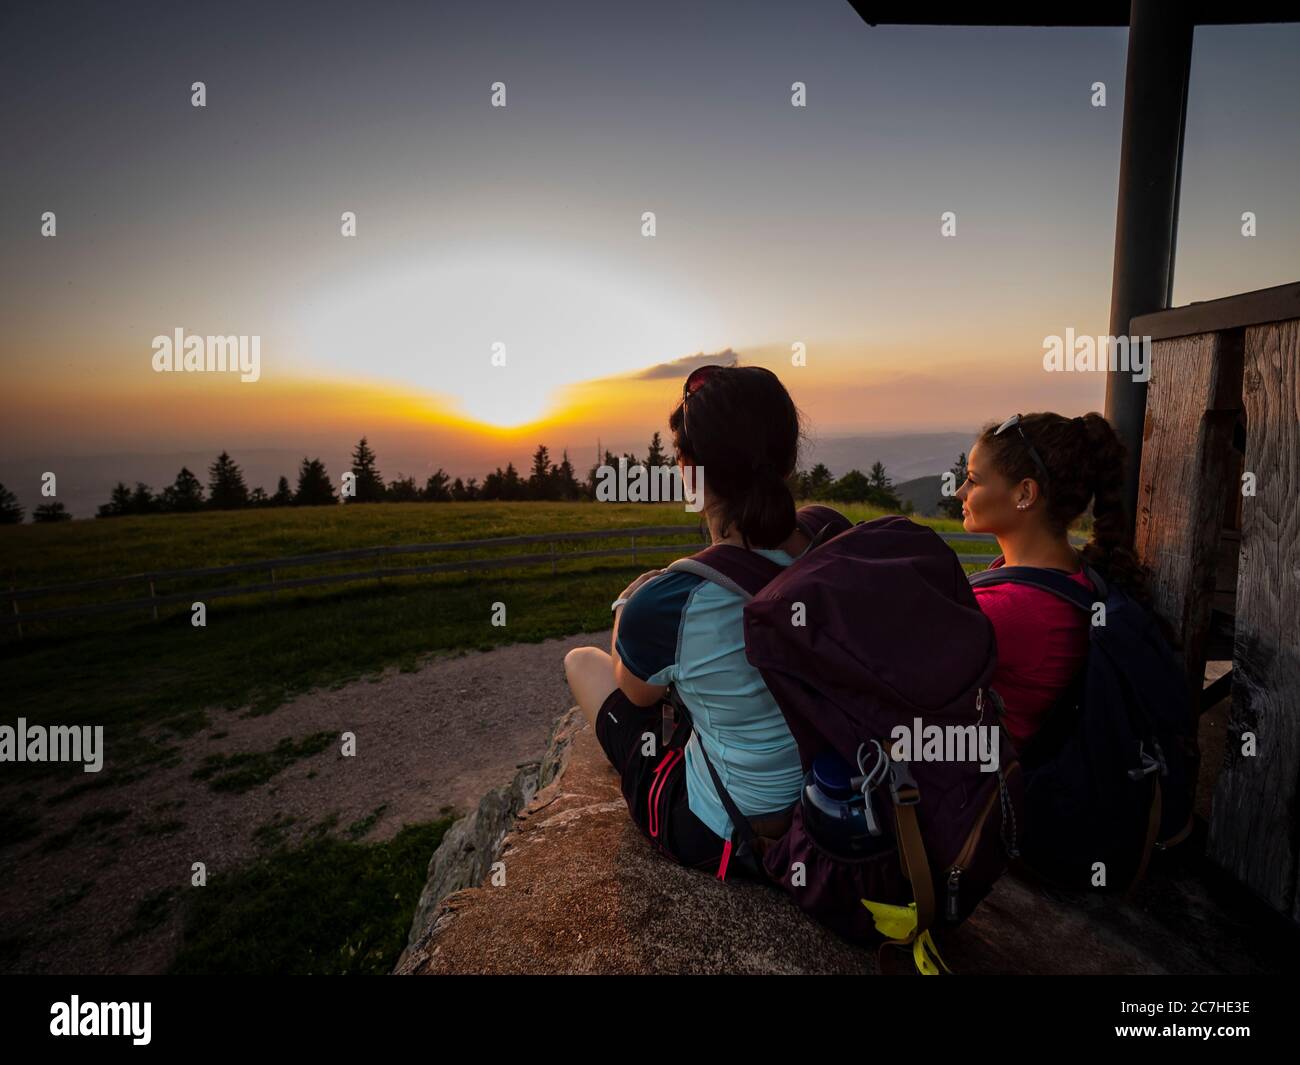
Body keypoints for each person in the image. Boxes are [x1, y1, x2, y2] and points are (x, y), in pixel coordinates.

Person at [563, 364, 812, 878]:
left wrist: (627, 611)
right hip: (825, 804)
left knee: (581, 661)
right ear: (787, 458)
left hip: (725, 831)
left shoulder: (667, 601)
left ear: (690, 469)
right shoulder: (829, 544)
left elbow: (636, 696)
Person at [955, 411, 1147, 747]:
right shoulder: (1074, 574)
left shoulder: (1013, 608)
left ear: (1025, 493)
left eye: (973, 479)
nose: (960, 492)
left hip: (988, 785)